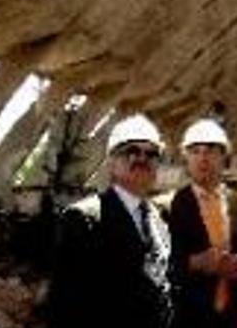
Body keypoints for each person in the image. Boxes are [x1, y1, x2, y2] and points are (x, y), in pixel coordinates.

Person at [48, 114, 173, 328]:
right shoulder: (83, 218)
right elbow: (66, 303)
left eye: (151, 153)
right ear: (111, 162)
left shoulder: (159, 220)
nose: (141, 158)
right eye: (131, 151)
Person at [168, 119, 237, 328]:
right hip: (187, 317)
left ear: (224, 157)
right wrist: (195, 262)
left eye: (211, 150)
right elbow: (156, 266)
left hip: (232, 316)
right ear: (186, 158)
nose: (203, 158)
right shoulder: (169, 208)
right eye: (195, 151)